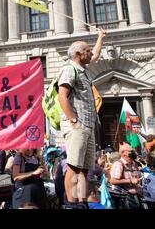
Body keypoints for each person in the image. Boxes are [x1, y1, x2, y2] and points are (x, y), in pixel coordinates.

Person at [58, 29, 106, 209]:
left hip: (88, 125)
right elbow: (62, 96)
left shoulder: (83, 69)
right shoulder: (70, 69)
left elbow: (96, 54)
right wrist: (74, 121)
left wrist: (100, 37)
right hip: (78, 125)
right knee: (74, 166)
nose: (90, 53)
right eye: (87, 50)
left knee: (85, 169)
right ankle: (71, 203)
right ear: (78, 54)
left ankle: (82, 201)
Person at [110, 142, 142, 209]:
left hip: (137, 196)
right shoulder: (118, 164)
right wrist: (130, 180)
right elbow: (113, 181)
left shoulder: (134, 163)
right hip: (126, 199)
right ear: (123, 153)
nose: (133, 152)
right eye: (131, 151)